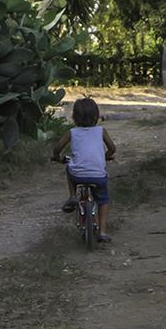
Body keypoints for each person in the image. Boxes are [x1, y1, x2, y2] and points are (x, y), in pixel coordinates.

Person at [51, 97, 116, 242]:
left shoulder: (72, 132)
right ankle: (103, 232)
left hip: (78, 175)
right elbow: (112, 148)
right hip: (98, 175)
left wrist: (56, 157)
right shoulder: (101, 131)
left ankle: (73, 196)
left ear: (74, 117)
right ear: (96, 116)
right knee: (103, 200)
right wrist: (106, 156)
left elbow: (57, 148)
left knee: (69, 167)